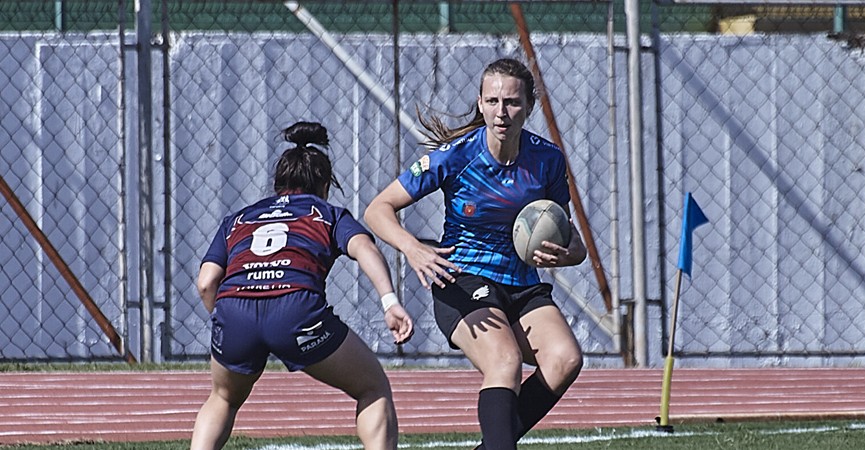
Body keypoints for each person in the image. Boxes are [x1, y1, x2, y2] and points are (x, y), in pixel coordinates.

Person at [364, 58, 587, 450]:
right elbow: (376, 209)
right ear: (481, 104)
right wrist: (414, 249)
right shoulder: (456, 155)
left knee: (566, 359)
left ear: (530, 106)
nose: (502, 112)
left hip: (521, 283)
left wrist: (565, 254)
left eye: (513, 102)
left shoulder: (547, 159)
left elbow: (575, 244)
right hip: (463, 279)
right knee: (504, 362)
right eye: (493, 101)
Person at [190, 121, 414, 450]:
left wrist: (227, 320)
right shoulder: (327, 213)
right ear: (324, 185)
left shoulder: (239, 219)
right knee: (372, 386)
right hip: (295, 310)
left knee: (223, 398)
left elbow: (207, 282)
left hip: (234, 308)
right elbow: (366, 249)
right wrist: (389, 301)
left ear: (278, 184)